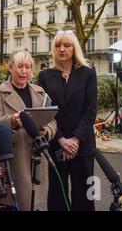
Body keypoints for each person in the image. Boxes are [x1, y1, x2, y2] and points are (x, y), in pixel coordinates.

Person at [0, 50, 56, 211]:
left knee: (34, 203)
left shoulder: (40, 92)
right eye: (19, 66)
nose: (23, 71)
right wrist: (12, 120)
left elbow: (53, 120)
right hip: (12, 159)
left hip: (36, 157)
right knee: (15, 204)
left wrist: (46, 131)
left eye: (27, 67)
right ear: (10, 68)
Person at [38, 30, 97, 211]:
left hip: (82, 145)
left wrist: (75, 140)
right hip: (57, 144)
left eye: (67, 45)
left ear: (74, 48)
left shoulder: (87, 73)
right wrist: (62, 140)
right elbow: (46, 113)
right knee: (57, 195)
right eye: (58, 45)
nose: (62, 49)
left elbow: (90, 111)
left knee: (85, 194)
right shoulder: (45, 76)